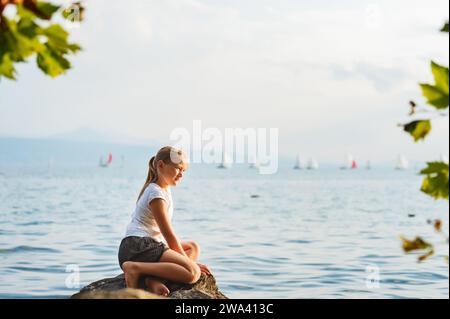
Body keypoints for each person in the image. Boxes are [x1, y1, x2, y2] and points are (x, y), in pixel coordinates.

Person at [118, 146, 211, 296]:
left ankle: (151, 279)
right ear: (161, 165)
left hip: (145, 246)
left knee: (193, 247)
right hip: (138, 246)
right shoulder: (156, 194)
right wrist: (190, 264)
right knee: (193, 273)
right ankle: (135, 268)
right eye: (178, 168)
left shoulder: (163, 189)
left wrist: (185, 260)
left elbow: (163, 238)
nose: (181, 174)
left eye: (184, 170)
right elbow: (168, 234)